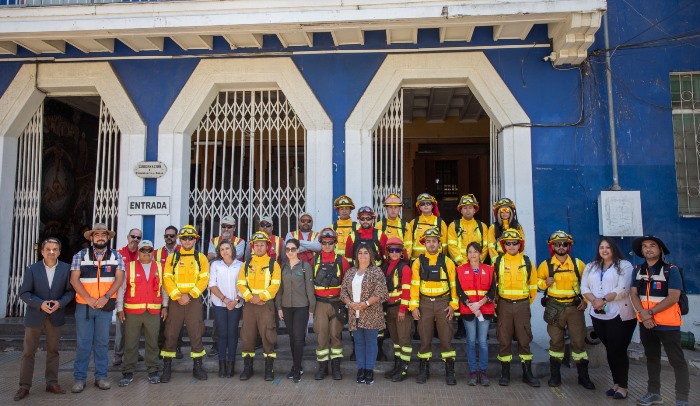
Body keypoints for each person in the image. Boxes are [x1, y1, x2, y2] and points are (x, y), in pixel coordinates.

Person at [630, 235, 689, 406]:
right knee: (652, 358)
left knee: (676, 360)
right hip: (646, 323)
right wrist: (643, 314)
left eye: (652, 245)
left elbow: (673, 297)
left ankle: (682, 398)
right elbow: (633, 294)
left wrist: (649, 312)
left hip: (668, 324)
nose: (648, 248)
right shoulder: (637, 270)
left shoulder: (671, 269)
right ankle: (654, 393)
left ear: (660, 249)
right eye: (645, 246)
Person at [15, 238, 75, 401]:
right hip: (35, 315)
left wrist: (60, 303)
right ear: (42, 251)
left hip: (55, 315)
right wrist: (39, 304)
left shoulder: (65, 269)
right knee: (28, 352)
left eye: (55, 249)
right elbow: (24, 293)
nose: (51, 252)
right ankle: (24, 386)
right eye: (48, 249)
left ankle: (52, 382)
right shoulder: (32, 269)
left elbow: (70, 292)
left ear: (59, 252)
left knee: (53, 351)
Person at [70, 223, 125, 393]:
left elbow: (119, 279)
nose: (100, 237)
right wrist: (88, 298)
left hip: (105, 306)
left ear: (108, 238)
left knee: (101, 343)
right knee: (83, 344)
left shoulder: (116, 256)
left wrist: (105, 297)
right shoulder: (81, 255)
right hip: (84, 307)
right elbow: (74, 279)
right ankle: (79, 379)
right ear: (92, 238)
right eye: (97, 234)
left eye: (104, 234)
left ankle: (101, 377)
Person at [580, 237, 635, 400]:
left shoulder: (624, 265)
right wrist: (594, 301)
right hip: (598, 314)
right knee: (610, 350)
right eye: (601, 247)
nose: (604, 250)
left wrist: (602, 300)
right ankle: (616, 383)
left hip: (619, 315)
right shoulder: (591, 266)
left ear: (614, 249)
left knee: (618, 350)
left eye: (608, 247)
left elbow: (623, 289)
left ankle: (623, 386)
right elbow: (584, 287)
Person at [537, 231, 593, 389]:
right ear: (552, 246)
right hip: (554, 307)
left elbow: (589, 284)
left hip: (575, 308)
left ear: (568, 246)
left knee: (579, 342)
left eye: (564, 244)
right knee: (556, 342)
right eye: (557, 244)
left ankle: (583, 377)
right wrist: (544, 283)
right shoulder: (545, 265)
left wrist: (586, 300)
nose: (561, 247)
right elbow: (536, 284)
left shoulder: (577, 264)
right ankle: (555, 377)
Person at [409, 227, 458, 385]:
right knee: (424, 338)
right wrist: (414, 306)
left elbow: (454, 285)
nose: (431, 244)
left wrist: (453, 304)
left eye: (434, 241)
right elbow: (414, 285)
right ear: (424, 244)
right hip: (424, 303)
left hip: (443, 303)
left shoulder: (447, 261)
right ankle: (424, 370)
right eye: (428, 241)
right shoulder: (417, 262)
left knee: (445, 338)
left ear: (439, 243)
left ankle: (450, 371)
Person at [160, 225, 210, 382]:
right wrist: (177, 295)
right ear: (179, 240)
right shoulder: (172, 258)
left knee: (196, 333)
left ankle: (197, 368)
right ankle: (166, 369)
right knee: (171, 333)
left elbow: (204, 278)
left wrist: (191, 294)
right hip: (176, 301)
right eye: (184, 238)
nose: (187, 241)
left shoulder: (200, 258)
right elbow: (167, 278)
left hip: (193, 301)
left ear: (195, 239)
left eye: (190, 238)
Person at [116, 240, 168, 387]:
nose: (146, 253)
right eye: (143, 250)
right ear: (138, 252)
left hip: (153, 311)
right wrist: (120, 309)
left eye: (149, 250)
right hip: (132, 312)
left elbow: (164, 289)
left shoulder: (160, 266)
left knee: (153, 342)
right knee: (131, 343)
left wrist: (165, 306)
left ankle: (153, 370)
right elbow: (121, 289)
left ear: (153, 251)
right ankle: (128, 371)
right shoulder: (129, 267)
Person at [493, 228, 539, 387]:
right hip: (504, 305)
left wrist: (526, 303)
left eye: (514, 243)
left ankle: (528, 373)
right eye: (508, 243)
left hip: (522, 306)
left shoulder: (527, 262)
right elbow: (494, 285)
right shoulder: (498, 262)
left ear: (520, 245)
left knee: (524, 338)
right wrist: (497, 304)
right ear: (503, 245)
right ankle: (505, 373)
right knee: (504, 339)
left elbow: (533, 286)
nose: (511, 246)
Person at [340, 244, 389, 385]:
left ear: (370, 256)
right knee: (359, 343)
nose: (362, 255)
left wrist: (366, 303)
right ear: (356, 256)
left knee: (371, 342)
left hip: (371, 312)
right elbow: (343, 292)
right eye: (360, 253)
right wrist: (349, 303)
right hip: (354, 313)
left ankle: (369, 370)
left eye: (365, 253)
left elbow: (381, 291)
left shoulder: (376, 271)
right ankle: (361, 369)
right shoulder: (350, 272)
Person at [237, 231, 282, 381]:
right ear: (252, 247)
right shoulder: (246, 265)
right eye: (257, 245)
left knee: (268, 336)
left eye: (262, 245)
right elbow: (241, 284)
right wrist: (250, 297)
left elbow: (275, 286)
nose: (259, 247)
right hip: (250, 305)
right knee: (247, 336)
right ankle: (247, 369)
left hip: (265, 305)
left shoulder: (273, 264)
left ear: (267, 246)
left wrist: (261, 297)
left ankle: (269, 370)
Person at [312, 228, 351, 380]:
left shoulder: (342, 261)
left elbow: (347, 284)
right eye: (324, 242)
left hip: (337, 303)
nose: (327, 245)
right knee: (321, 335)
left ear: (335, 243)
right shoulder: (314, 260)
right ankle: (322, 368)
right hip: (320, 304)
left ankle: (336, 368)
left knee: (335, 335)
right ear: (320, 243)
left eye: (330, 243)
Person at [275, 238, 315, 382]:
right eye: (287, 249)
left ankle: (297, 368)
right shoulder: (283, 267)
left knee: (298, 338)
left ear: (298, 250)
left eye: (293, 249)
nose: (290, 252)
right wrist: (279, 306)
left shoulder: (305, 267)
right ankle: (296, 365)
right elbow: (279, 289)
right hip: (286, 306)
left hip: (301, 307)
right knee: (292, 338)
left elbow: (310, 288)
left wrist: (312, 307)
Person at [455, 242, 495, 386]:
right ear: (467, 254)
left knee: (483, 342)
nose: (473, 254)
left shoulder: (489, 269)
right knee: (471, 342)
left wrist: (480, 304)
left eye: (475, 251)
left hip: (484, 310)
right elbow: (459, 290)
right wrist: (470, 305)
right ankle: (473, 372)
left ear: (480, 254)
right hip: (468, 311)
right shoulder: (460, 269)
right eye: (470, 252)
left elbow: (492, 290)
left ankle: (483, 372)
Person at [208, 241, 244, 378]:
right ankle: (222, 365)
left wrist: (235, 300)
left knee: (232, 333)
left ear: (232, 249)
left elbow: (243, 285)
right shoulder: (215, 265)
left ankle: (231, 364)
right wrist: (225, 300)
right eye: (222, 249)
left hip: (236, 304)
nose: (225, 251)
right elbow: (212, 284)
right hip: (219, 303)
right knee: (222, 333)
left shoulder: (241, 265)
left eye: (227, 248)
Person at [381, 237, 414, 382]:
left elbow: (407, 290)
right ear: (387, 252)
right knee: (395, 340)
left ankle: (404, 370)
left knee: (403, 340)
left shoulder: (405, 268)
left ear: (402, 252)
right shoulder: (384, 267)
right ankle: (397, 366)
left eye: (397, 250)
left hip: (401, 310)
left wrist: (403, 309)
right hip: (389, 309)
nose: (394, 252)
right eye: (391, 250)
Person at [114, 228, 142, 367]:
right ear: (127, 237)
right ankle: (118, 355)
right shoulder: (118, 254)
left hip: (138, 297)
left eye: (138, 238)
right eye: (133, 237)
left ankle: (134, 353)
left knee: (136, 328)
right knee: (121, 327)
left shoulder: (142, 254)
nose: (135, 240)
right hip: (123, 296)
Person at [155, 226, 183, 359]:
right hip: (162, 292)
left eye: (172, 235)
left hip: (179, 292)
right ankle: (162, 348)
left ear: (176, 237)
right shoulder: (157, 253)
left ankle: (177, 347)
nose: (169, 238)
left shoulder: (183, 251)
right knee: (163, 322)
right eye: (166, 236)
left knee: (177, 322)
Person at [447, 194, 488, 266]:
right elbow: (451, 246)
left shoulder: (482, 226)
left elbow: (485, 247)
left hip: (478, 265)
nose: (468, 210)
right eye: (465, 208)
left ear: (474, 210)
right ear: (461, 210)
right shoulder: (453, 226)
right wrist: (463, 263)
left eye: (470, 207)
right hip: (459, 266)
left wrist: (477, 261)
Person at [408, 193, 447, 261]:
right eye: (422, 204)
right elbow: (408, 244)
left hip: (436, 260)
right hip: (417, 261)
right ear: (419, 207)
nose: (425, 205)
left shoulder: (440, 222)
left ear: (432, 206)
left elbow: (444, 245)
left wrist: (444, 259)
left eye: (428, 203)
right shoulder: (413, 223)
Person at [375, 193, 413, 258]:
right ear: (386, 208)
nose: (393, 210)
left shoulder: (406, 226)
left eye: (396, 207)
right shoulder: (379, 225)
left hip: (400, 262)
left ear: (399, 208)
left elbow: (408, 247)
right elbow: (376, 246)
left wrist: (401, 259)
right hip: (384, 262)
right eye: (390, 207)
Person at [487, 198, 525, 263]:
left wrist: (519, 259)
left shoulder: (517, 226)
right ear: (499, 213)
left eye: (507, 210)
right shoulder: (493, 228)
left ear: (511, 212)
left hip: (515, 259)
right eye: (502, 211)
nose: (504, 213)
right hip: (499, 258)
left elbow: (522, 244)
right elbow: (491, 246)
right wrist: (497, 261)